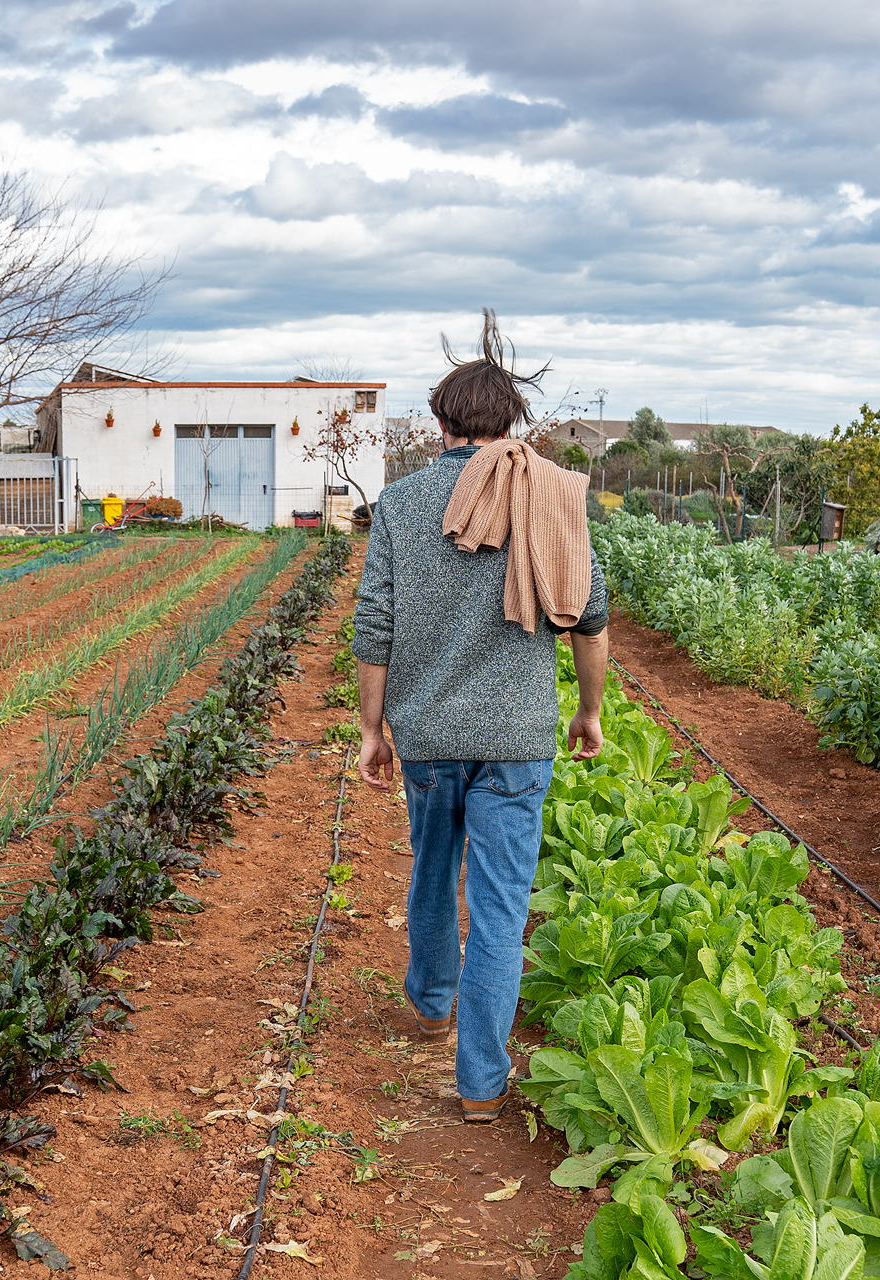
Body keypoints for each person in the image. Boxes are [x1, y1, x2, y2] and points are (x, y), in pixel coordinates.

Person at [352, 310, 609, 1124]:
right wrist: (590, 710)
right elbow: (590, 617)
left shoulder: (400, 503)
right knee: (501, 908)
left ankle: (432, 1005)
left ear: (441, 423)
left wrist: (372, 729)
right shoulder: (553, 498)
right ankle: (482, 1084)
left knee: (432, 869)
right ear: (512, 422)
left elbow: (374, 623)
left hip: (429, 735)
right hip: (518, 740)